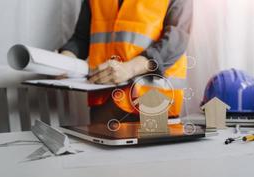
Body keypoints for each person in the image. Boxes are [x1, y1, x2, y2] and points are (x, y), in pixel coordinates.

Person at [59, 0, 193, 123]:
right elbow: (81, 38)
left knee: (155, 149)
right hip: (104, 101)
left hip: (153, 101)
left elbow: (177, 40)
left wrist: (130, 69)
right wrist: (64, 59)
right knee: (100, 148)